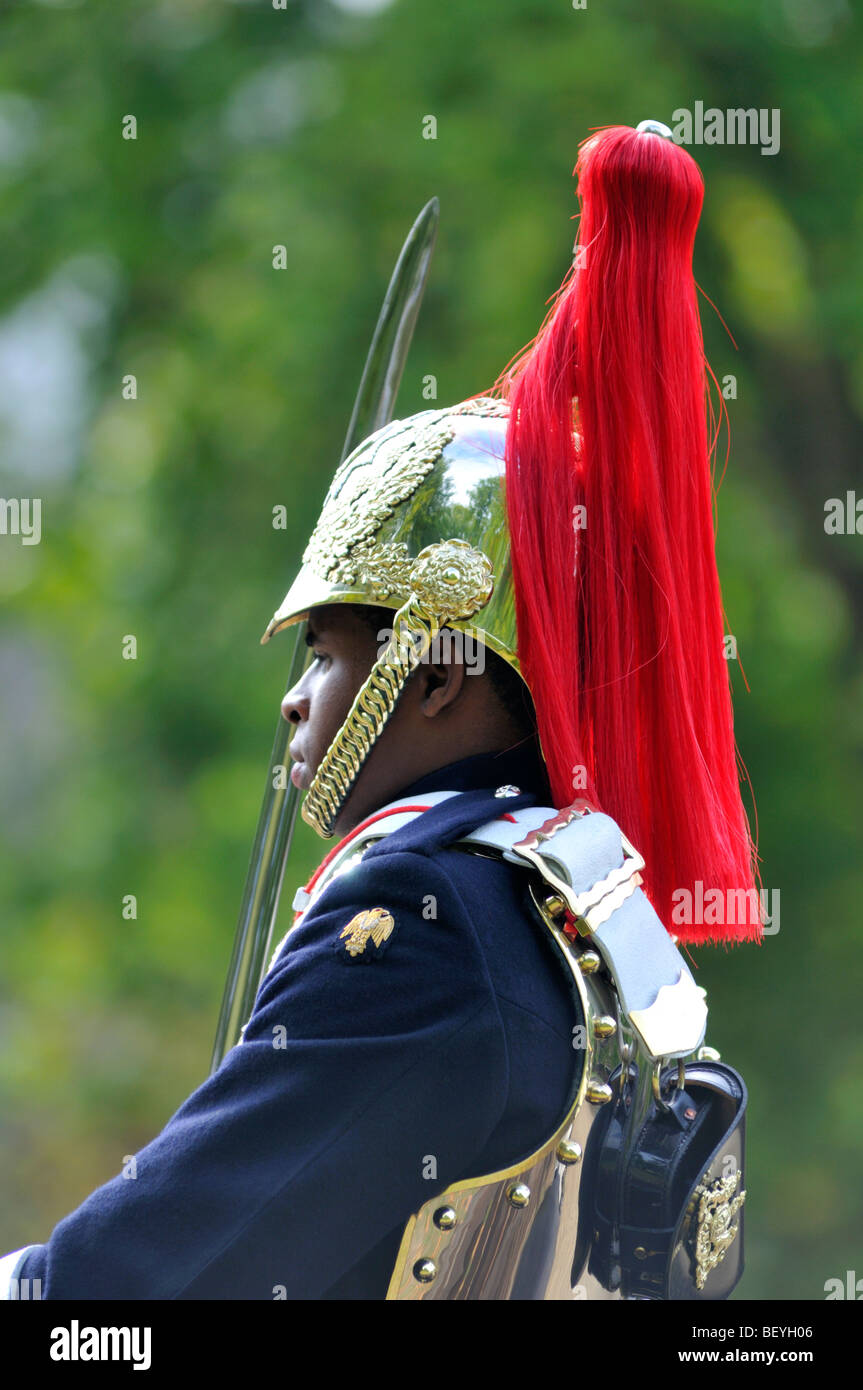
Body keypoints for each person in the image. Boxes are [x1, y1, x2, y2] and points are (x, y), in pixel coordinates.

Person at [0, 121, 758, 1302]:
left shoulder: (420, 917)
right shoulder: (571, 912)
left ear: (441, 673)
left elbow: (124, 1290)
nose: (295, 700)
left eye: (323, 650)